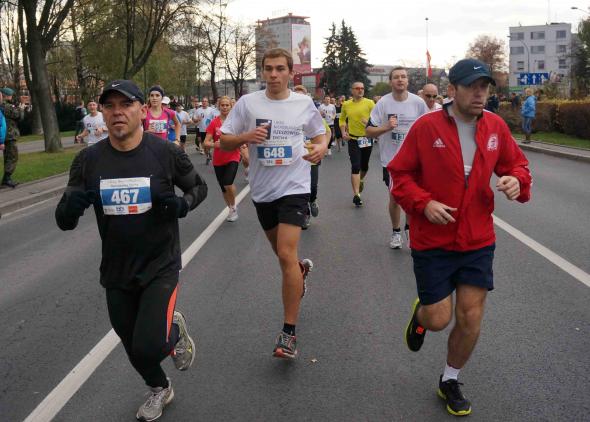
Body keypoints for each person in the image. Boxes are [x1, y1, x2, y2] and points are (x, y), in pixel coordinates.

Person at [55, 80, 207, 421]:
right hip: (116, 269)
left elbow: (199, 187)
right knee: (131, 344)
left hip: (160, 264)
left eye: (125, 104)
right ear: (102, 113)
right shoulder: (88, 160)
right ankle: (160, 387)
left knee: (148, 345)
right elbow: (63, 221)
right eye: (109, 106)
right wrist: (70, 208)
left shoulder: (165, 153)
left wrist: (182, 205)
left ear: (142, 109)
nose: (117, 112)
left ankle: (172, 332)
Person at [389, 59, 532, 417]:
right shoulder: (426, 127)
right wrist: (424, 203)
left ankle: (449, 379)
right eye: (472, 86)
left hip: (477, 239)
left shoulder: (496, 126)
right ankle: (421, 316)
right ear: (452, 90)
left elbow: (518, 165)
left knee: (470, 316)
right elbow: (399, 176)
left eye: (485, 87)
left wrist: (516, 180)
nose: (480, 93)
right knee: (439, 318)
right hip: (433, 240)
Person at [220, 48, 327, 359]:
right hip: (263, 191)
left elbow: (321, 134)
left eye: (280, 69)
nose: (274, 74)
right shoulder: (248, 103)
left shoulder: (302, 103)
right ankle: (298, 272)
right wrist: (246, 137)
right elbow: (223, 140)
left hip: (295, 187)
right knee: (283, 258)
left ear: (291, 73)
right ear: (263, 72)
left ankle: (288, 333)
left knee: (285, 252)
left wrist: (321, 148)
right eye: (268, 69)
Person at [366, 66, 428, 249]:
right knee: (395, 197)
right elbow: (368, 131)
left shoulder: (418, 103)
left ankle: (409, 229)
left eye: (403, 77)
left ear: (407, 81)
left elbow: (429, 128)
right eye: (396, 77)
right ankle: (396, 231)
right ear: (390, 81)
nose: (400, 79)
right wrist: (385, 127)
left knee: (412, 197)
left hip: (414, 161)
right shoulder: (383, 104)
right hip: (391, 161)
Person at [294, 85, 331, 229]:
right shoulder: (287, 116)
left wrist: (323, 146)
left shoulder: (313, 116)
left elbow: (327, 132)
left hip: (312, 157)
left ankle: (313, 200)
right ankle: (305, 214)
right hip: (295, 160)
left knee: (312, 187)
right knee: (299, 189)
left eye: (301, 97)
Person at [203, 96, 240, 222]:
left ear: (231, 106)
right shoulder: (214, 123)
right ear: (219, 107)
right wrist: (215, 145)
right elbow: (206, 142)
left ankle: (233, 206)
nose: (224, 107)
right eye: (222, 105)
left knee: (228, 182)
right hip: (218, 159)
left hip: (233, 156)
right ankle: (230, 208)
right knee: (223, 187)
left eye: (227, 105)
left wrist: (241, 143)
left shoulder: (236, 122)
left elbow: (242, 137)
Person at [339, 82, 375, 207]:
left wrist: (369, 123)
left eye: (362, 88)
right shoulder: (346, 104)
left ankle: (361, 179)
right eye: (357, 88)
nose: (360, 90)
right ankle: (356, 195)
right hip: (353, 139)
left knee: (364, 166)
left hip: (366, 138)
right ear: (352, 90)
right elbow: (342, 119)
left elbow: (377, 119)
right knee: (355, 165)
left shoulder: (370, 103)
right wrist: (343, 132)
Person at [0, 87, 22, 188]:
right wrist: (21, 108)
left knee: (8, 156)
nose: (12, 96)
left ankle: (6, 179)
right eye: (10, 95)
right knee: (13, 156)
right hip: (9, 135)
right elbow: (19, 116)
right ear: (6, 96)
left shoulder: (5, 106)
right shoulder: (7, 106)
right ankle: (7, 179)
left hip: (5, 135)